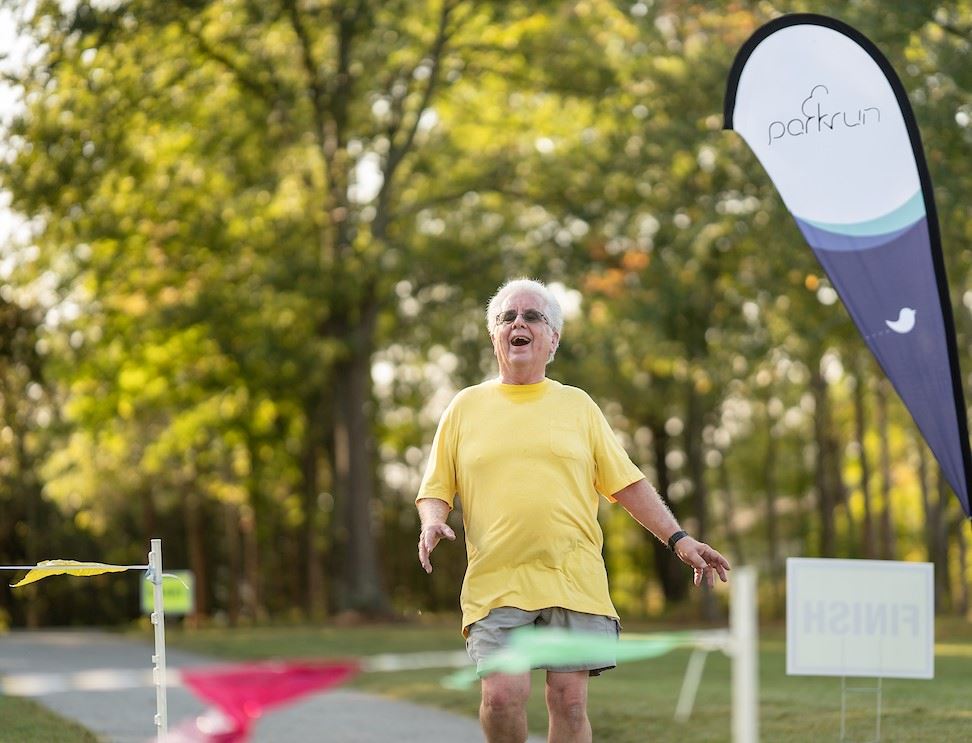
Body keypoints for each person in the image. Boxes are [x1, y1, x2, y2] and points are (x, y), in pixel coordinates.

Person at [416, 278, 730, 743]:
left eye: (532, 317)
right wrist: (433, 521)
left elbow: (627, 484)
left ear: (553, 339)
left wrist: (679, 539)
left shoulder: (578, 406)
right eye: (507, 317)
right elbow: (435, 487)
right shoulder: (465, 407)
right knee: (501, 697)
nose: (518, 323)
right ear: (494, 336)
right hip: (496, 581)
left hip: (573, 578)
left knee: (569, 700)